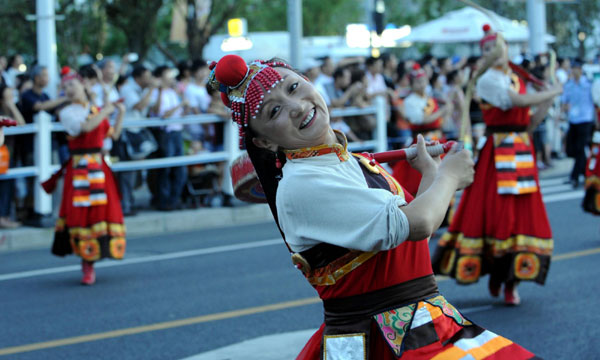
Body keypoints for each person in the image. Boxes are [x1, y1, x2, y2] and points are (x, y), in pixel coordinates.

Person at [208, 54, 539, 359]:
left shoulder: (346, 161)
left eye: (294, 87)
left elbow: (412, 238)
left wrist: (431, 175)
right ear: (264, 142)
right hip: (383, 339)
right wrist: (448, 178)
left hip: (420, 324)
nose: (295, 106)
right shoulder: (301, 186)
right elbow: (418, 223)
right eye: (274, 111)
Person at [432, 25, 563, 306]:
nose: (491, 52)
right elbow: (517, 101)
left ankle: (511, 280)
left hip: (522, 151)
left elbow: (529, 122)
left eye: (495, 46)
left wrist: (549, 98)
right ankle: (498, 274)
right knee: (498, 216)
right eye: (486, 49)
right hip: (498, 154)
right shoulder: (487, 80)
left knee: (521, 217)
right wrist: (550, 91)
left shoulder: (517, 78)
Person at [43, 71, 126, 285]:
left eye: (72, 85)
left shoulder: (95, 110)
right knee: (81, 213)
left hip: (99, 168)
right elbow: (85, 128)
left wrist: (120, 114)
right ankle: (86, 264)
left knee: (101, 211)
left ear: (84, 87)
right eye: (65, 87)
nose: (69, 90)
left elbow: (112, 135)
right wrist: (106, 109)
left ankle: (95, 257)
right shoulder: (67, 113)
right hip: (80, 169)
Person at [391, 64, 452, 197]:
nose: (422, 84)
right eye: (418, 81)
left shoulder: (429, 99)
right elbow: (421, 120)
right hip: (423, 143)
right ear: (412, 84)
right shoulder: (410, 101)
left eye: (423, 80)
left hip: (437, 139)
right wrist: (443, 111)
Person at [561, 59, 595, 188]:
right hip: (573, 120)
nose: (573, 71)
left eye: (575, 68)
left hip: (585, 120)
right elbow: (564, 101)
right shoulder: (569, 85)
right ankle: (585, 172)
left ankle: (574, 176)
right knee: (572, 150)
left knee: (580, 148)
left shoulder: (588, 84)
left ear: (580, 69)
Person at [0, 82, 25, 229]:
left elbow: (21, 124)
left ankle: (4, 215)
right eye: (8, 94)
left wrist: (12, 106)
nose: (11, 96)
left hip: (9, 153)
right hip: (3, 154)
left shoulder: (10, 109)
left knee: (7, 185)